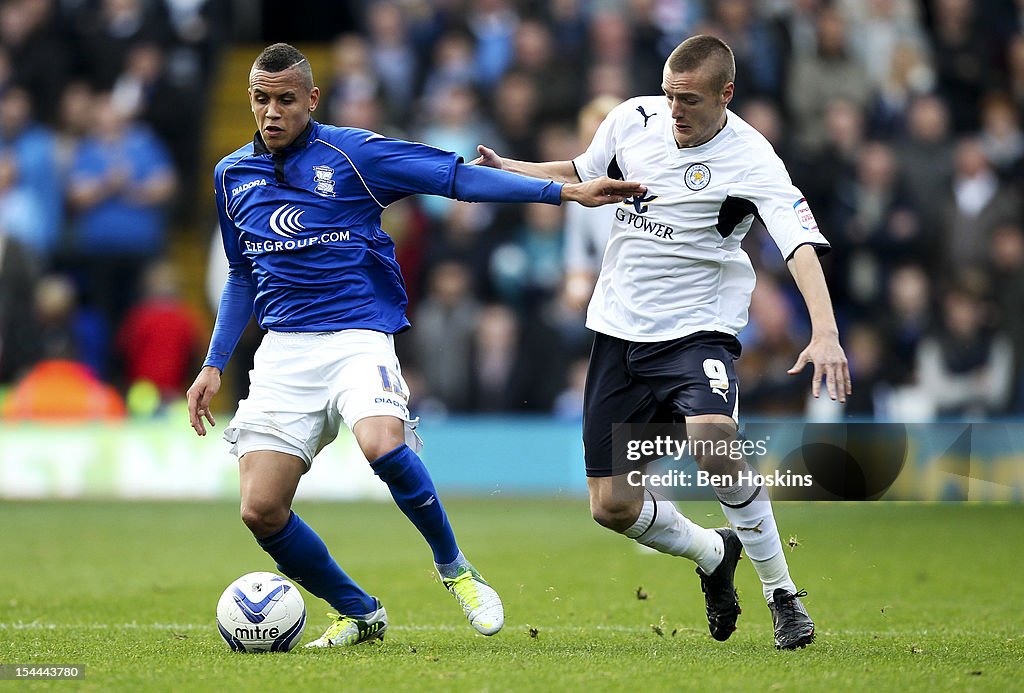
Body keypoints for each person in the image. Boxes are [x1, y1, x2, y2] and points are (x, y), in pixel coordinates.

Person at [185, 43, 642, 650]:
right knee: (260, 510)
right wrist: (214, 363)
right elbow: (243, 276)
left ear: (312, 100)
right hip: (282, 350)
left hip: (355, 337)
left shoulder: (354, 154)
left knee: (382, 442)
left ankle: (455, 567)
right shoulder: (230, 175)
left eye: (286, 100)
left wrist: (562, 194)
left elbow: (454, 178)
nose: (272, 113)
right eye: (261, 100)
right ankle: (360, 612)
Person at [474, 34, 852, 650]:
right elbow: (579, 173)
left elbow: (799, 245)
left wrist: (826, 332)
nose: (675, 108)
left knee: (712, 441)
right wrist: (509, 170)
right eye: (670, 93)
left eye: (691, 100)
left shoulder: (752, 158)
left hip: (697, 329)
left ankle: (782, 595)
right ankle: (712, 552)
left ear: (726, 95)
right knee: (612, 507)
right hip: (619, 330)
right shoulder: (632, 118)